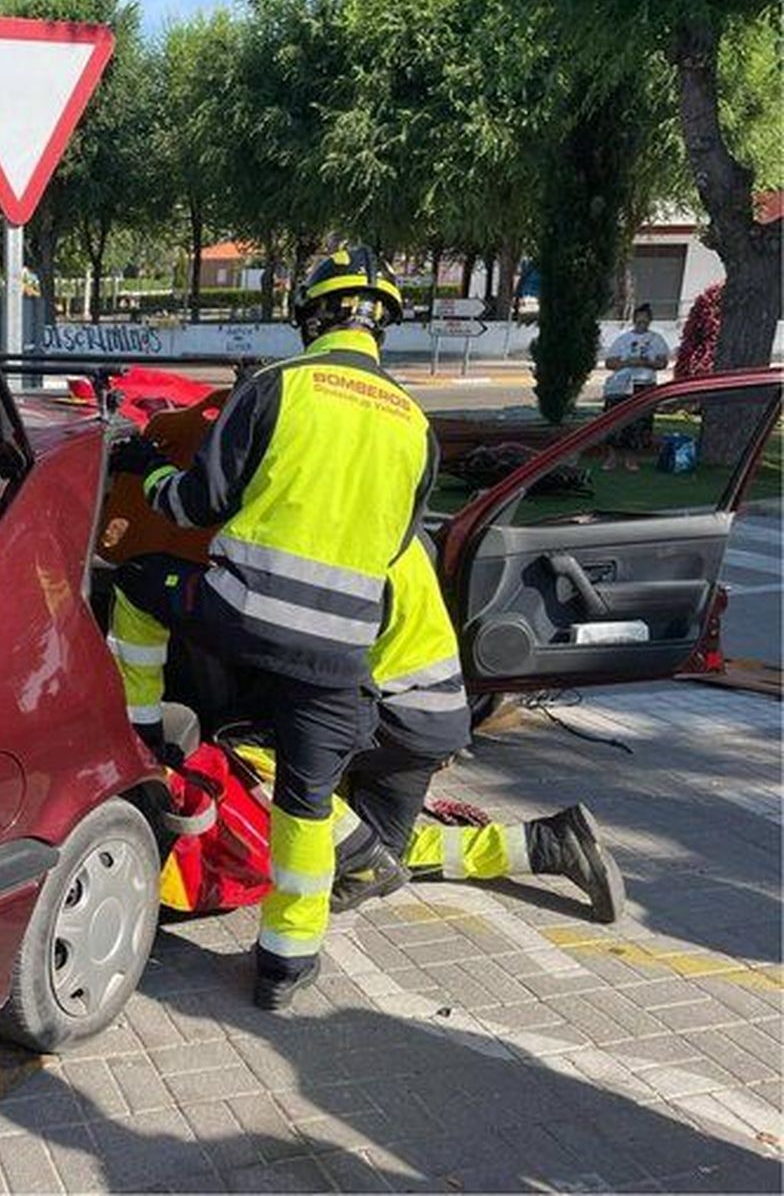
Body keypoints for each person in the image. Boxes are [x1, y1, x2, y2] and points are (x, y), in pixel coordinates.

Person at [106, 246, 435, 1010]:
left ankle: (143, 729)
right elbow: (395, 547)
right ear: (380, 323)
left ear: (314, 314)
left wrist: (144, 467)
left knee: (137, 584)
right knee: (307, 802)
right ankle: (286, 968)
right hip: (337, 654)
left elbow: (194, 505)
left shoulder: (278, 389)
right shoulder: (416, 423)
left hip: (241, 616)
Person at [324, 537, 624, 924]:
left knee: (256, 770)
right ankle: (546, 846)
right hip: (432, 717)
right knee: (379, 853)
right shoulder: (405, 531)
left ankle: (355, 848)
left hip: (385, 719)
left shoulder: (332, 537)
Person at [601, 303, 669, 470]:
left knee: (640, 423)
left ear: (650, 320)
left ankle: (632, 459)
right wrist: (627, 362)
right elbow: (609, 362)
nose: (642, 324)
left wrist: (648, 363)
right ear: (634, 320)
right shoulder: (623, 339)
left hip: (644, 385)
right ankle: (612, 457)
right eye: (639, 321)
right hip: (623, 385)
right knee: (616, 421)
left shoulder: (657, 340)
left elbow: (662, 363)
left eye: (645, 321)